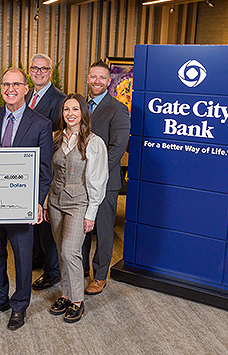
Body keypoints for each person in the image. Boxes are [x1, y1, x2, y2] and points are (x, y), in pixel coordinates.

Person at [0, 67, 53, 330]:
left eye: (16, 84)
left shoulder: (41, 123)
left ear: (26, 88)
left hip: (21, 204)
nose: (10, 89)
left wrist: (38, 202)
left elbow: (44, 169)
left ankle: (19, 306)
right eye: (6, 84)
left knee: (22, 257)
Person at [46, 94, 108, 323]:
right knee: (61, 249)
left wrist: (91, 213)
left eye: (75, 109)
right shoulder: (55, 138)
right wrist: (44, 202)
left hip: (78, 203)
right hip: (54, 202)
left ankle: (77, 300)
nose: (70, 114)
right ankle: (65, 293)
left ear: (83, 112)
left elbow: (98, 181)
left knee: (70, 252)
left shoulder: (93, 142)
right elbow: (48, 174)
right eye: (66, 110)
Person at [82, 60, 130, 295]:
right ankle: (79, 268)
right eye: (93, 77)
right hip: (78, 180)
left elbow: (117, 149)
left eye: (102, 77)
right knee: (80, 228)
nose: (97, 81)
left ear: (109, 81)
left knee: (102, 230)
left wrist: (95, 173)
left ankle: (100, 275)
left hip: (105, 182)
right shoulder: (79, 105)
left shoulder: (117, 109)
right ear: (88, 78)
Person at [25, 53, 66, 291]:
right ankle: (38, 259)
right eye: (35, 68)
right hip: (27, 169)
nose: (39, 72)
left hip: (46, 169)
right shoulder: (27, 95)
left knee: (47, 220)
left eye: (43, 69)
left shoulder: (58, 99)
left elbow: (60, 137)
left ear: (50, 72)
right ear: (30, 71)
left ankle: (52, 271)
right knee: (35, 218)